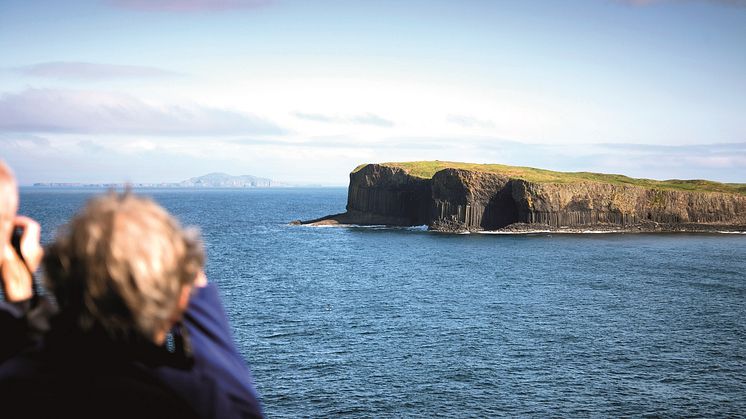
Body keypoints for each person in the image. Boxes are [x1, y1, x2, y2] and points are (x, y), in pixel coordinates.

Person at [0, 172, 263, 418]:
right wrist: (195, 288)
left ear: (58, 279)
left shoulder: (17, 386)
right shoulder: (204, 403)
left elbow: (28, 346)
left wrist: (21, 295)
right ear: (181, 298)